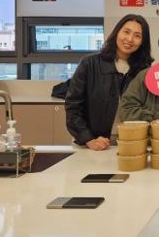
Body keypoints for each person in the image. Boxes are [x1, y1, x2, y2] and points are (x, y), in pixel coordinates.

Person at [65, 14, 152, 150]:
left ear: (143, 41)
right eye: (126, 32)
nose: (130, 39)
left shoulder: (145, 71)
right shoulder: (90, 64)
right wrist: (88, 139)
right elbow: (73, 106)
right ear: (117, 32)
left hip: (132, 140)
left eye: (137, 36)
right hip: (94, 143)